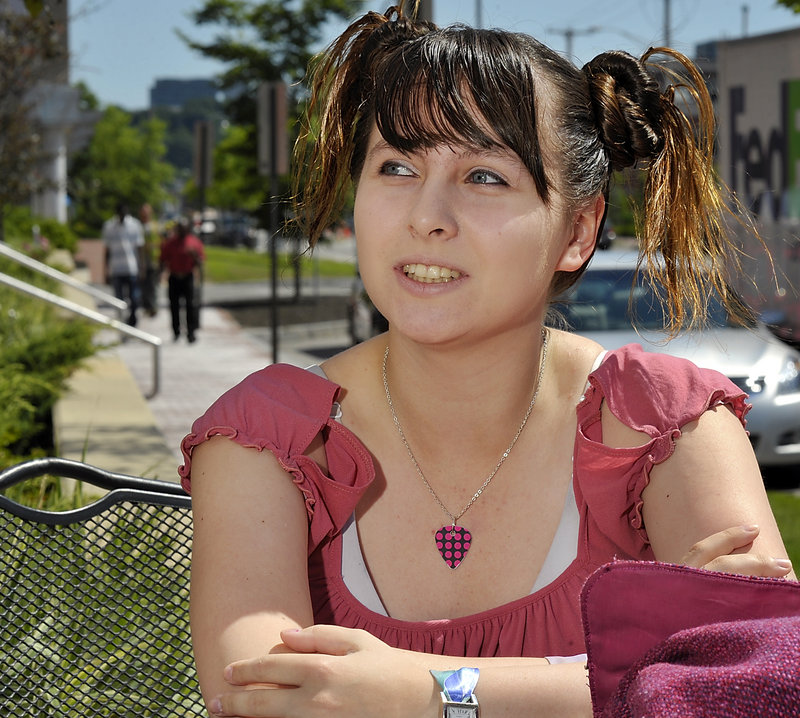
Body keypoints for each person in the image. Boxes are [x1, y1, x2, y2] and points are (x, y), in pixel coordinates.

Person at [179, 5, 796, 716]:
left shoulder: (663, 426)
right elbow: (258, 695)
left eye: (485, 178)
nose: (426, 215)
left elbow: (754, 688)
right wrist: (630, 677)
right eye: (397, 166)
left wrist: (426, 693)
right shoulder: (272, 434)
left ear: (577, 228)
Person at [160, 219, 205, 343]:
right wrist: (161, 273)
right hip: (174, 277)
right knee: (174, 306)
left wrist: (194, 255)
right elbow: (163, 259)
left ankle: (191, 333)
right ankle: (176, 331)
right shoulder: (170, 243)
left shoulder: (194, 242)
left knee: (190, 305)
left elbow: (200, 261)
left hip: (187, 277)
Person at [102, 202, 144, 326]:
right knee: (119, 300)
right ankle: (122, 323)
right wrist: (105, 269)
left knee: (134, 298)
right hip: (116, 268)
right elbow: (107, 250)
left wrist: (142, 266)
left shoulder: (135, 225)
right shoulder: (109, 226)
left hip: (131, 267)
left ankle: (132, 320)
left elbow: (139, 247)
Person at [139, 203, 160, 317]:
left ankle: (153, 306)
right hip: (141, 260)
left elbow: (160, 242)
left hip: (152, 260)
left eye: (146, 211)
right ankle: (146, 306)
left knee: (152, 284)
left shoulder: (155, 226)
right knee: (143, 285)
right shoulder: (138, 226)